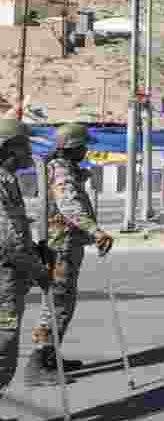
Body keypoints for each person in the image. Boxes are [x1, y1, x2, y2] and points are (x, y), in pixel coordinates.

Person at [24, 123, 114, 386]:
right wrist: (95, 231)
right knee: (57, 304)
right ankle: (39, 363)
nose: (86, 150)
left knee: (63, 302)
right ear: (73, 147)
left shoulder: (63, 168)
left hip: (63, 244)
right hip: (60, 246)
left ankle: (50, 355)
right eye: (83, 146)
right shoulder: (61, 170)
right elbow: (68, 205)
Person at [0, 119, 51, 418]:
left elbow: (15, 231)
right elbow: (8, 240)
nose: (29, 151)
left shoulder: (8, 180)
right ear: (8, 148)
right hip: (4, 278)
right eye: (24, 145)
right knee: (3, 349)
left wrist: (34, 249)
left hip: (10, 275)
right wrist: (38, 270)